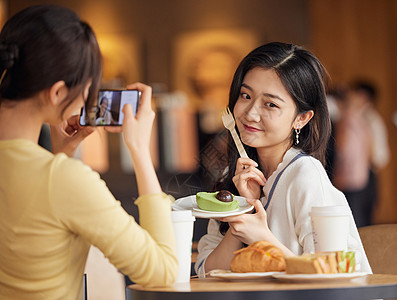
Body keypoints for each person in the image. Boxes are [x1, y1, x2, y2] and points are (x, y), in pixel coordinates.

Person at [0, 5, 177, 299]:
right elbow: (163, 272)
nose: (87, 101)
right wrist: (140, 151)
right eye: (86, 90)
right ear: (57, 93)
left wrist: (60, 157)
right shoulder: (63, 179)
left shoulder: (56, 175)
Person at [194, 42, 371, 275]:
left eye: (270, 104)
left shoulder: (305, 174)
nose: (250, 113)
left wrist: (262, 238)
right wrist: (244, 212)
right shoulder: (235, 179)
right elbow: (207, 272)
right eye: (245, 95)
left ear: (302, 118)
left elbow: (332, 278)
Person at [333, 80, 389, 227]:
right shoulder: (344, 116)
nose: (350, 96)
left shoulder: (372, 121)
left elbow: (379, 158)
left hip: (364, 177)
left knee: (361, 223)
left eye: (355, 93)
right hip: (345, 177)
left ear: (364, 97)